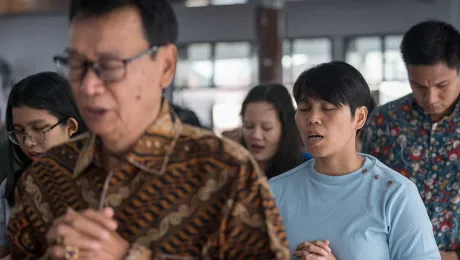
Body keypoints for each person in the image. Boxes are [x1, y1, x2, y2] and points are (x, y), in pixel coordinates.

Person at [7, 1, 289, 259]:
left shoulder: (227, 173)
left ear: (165, 66)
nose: (88, 85)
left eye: (110, 65)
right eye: (78, 65)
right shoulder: (46, 178)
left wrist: (128, 256)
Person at [270, 61, 440, 260]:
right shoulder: (274, 191)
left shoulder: (395, 193)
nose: (313, 118)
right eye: (304, 108)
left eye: (328, 108)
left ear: (359, 118)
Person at [362, 20, 460, 260]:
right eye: (418, 86)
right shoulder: (385, 122)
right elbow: (367, 195)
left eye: (442, 85)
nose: (431, 98)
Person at [0, 72, 88, 258]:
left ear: (71, 127)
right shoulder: (10, 188)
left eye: (39, 129)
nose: (28, 142)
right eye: (19, 131)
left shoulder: (103, 182)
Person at [240, 84, 305, 179]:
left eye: (267, 128)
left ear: (286, 129)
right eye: (249, 126)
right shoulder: (231, 170)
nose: (256, 135)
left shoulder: (306, 170)